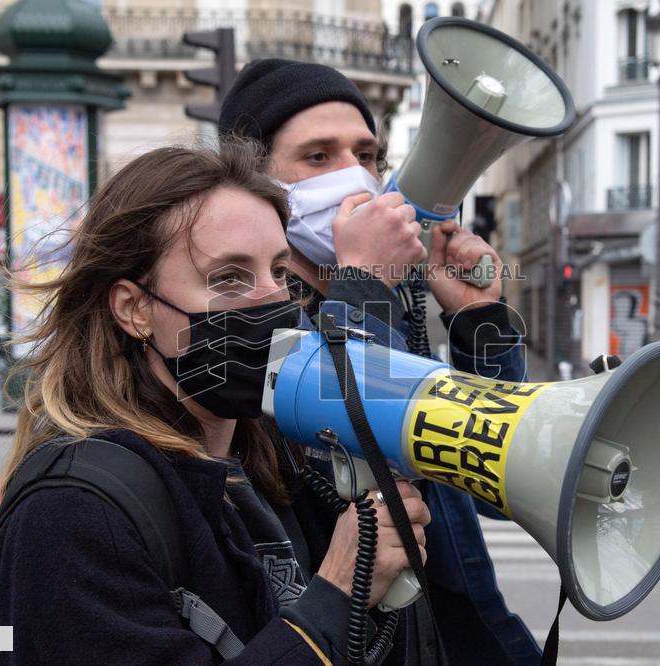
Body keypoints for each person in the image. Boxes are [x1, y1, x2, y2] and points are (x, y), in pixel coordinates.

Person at [0, 141, 432, 664]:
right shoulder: (71, 513)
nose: (272, 299)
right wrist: (336, 593)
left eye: (280, 272)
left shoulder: (276, 454)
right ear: (134, 309)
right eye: (228, 278)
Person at [218, 60, 541, 665]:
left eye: (366, 155)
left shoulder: (383, 303)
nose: (355, 178)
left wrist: (478, 318)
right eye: (318, 157)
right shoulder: (245, 328)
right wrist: (363, 282)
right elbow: (352, 437)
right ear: (256, 185)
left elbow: (490, 466)